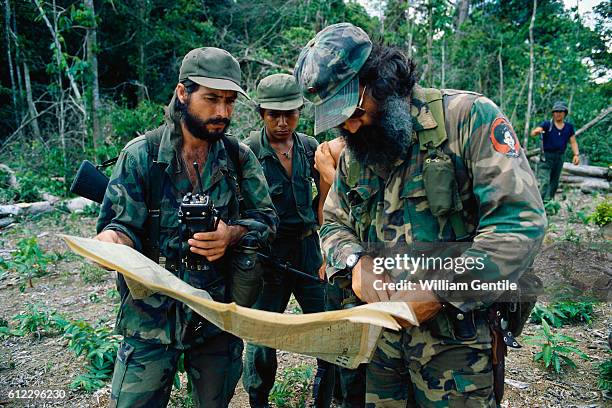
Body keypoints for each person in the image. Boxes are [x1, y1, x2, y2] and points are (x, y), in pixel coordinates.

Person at [295, 23, 546, 407]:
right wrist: (355, 263)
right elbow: (334, 223)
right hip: (381, 346)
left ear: (381, 82)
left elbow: (519, 222)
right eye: (337, 118)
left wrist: (442, 290)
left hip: (458, 347)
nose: (349, 125)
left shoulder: (468, 119)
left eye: (355, 110)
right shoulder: (353, 152)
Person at [95, 47, 278, 408]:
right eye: (211, 99)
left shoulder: (238, 157)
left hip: (216, 315)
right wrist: (111, 241)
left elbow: (267, 220)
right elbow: (118, 225)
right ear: (183, 93)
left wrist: (231, 234)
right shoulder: (141, 156)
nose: (223, 113)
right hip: (151, 318)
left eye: (229, 102)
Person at [242, 73, 333, 408]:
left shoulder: (309, 146)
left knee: (328, 324)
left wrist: (326, 248)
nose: (282, 123)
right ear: (261, 113)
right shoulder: (247, 151)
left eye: (290, 114)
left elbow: (326, 197)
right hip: (268, 256)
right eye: (273, 115)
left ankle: (325, 395)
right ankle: (258, 399)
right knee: (263, 334)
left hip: (308, 249)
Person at [531, 101, 579, 201]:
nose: (558, 113)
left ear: (565, 113)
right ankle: (538, 203)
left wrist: (576, 155)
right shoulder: (547, 124)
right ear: (553, 113)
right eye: (556, 111)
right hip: (546, 156)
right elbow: (534, 132)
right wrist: (537, 131)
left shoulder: (569, 127)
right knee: (545, 181)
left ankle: (548, 203)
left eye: (561, 111)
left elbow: (573, 142)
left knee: (554, 182)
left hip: (559, 157)